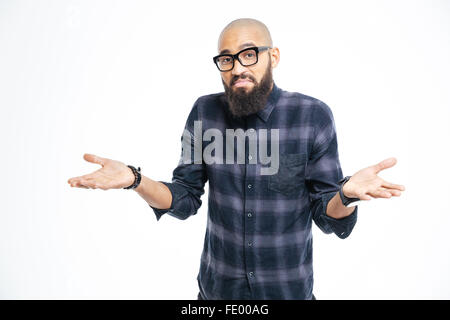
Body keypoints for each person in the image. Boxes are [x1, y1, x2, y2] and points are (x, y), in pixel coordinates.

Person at [67, 18, 405, 300]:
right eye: (226, 59)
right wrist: (135, 180)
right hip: (217, 293)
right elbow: (184, 198)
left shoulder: (312, 116)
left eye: (248, 55)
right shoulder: (204, 112)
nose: (237, 68)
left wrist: (346, 195)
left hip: (287, 291)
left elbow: (327, 216)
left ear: (272, 56)